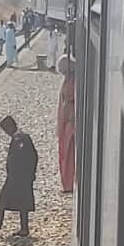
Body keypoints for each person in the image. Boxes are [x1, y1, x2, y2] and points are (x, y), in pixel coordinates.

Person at [0, 115, 39, 238]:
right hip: (22, 177)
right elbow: (34, 156)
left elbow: (20, 158)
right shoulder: (23, 136)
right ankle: (22, 228)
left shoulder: (18, 139)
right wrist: (31, 173)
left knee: (4, 201)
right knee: (22, 203)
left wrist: (18, 174)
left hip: (17, 177)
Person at [57, 54, 76, 192]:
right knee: (66, 151)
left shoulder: (73, 82)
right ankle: (67, 181)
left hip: (71, 121)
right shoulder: (68, 80)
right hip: (66, 121)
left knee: (69, 152)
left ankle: (69, 181)